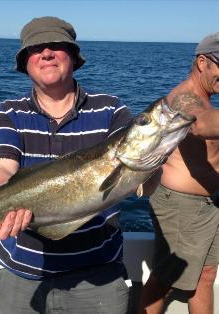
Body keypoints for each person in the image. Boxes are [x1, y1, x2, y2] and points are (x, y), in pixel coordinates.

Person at [0, 16, 133, 314]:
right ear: (25, 63)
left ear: (74, 57)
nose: (46, 53)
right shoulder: (8, 112)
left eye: (56, 46)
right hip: (21, 274)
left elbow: (144, 179)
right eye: (36, 49)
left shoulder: (112, 109)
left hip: (98, 274)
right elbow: (0, 164)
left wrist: (161, 153)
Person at [139, 33, 219, 314]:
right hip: (180, 205)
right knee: (165, 280)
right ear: (202, 62)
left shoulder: (208, 98)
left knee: (205, 276)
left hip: (209, 206)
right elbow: (200, 125)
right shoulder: (184, 98)